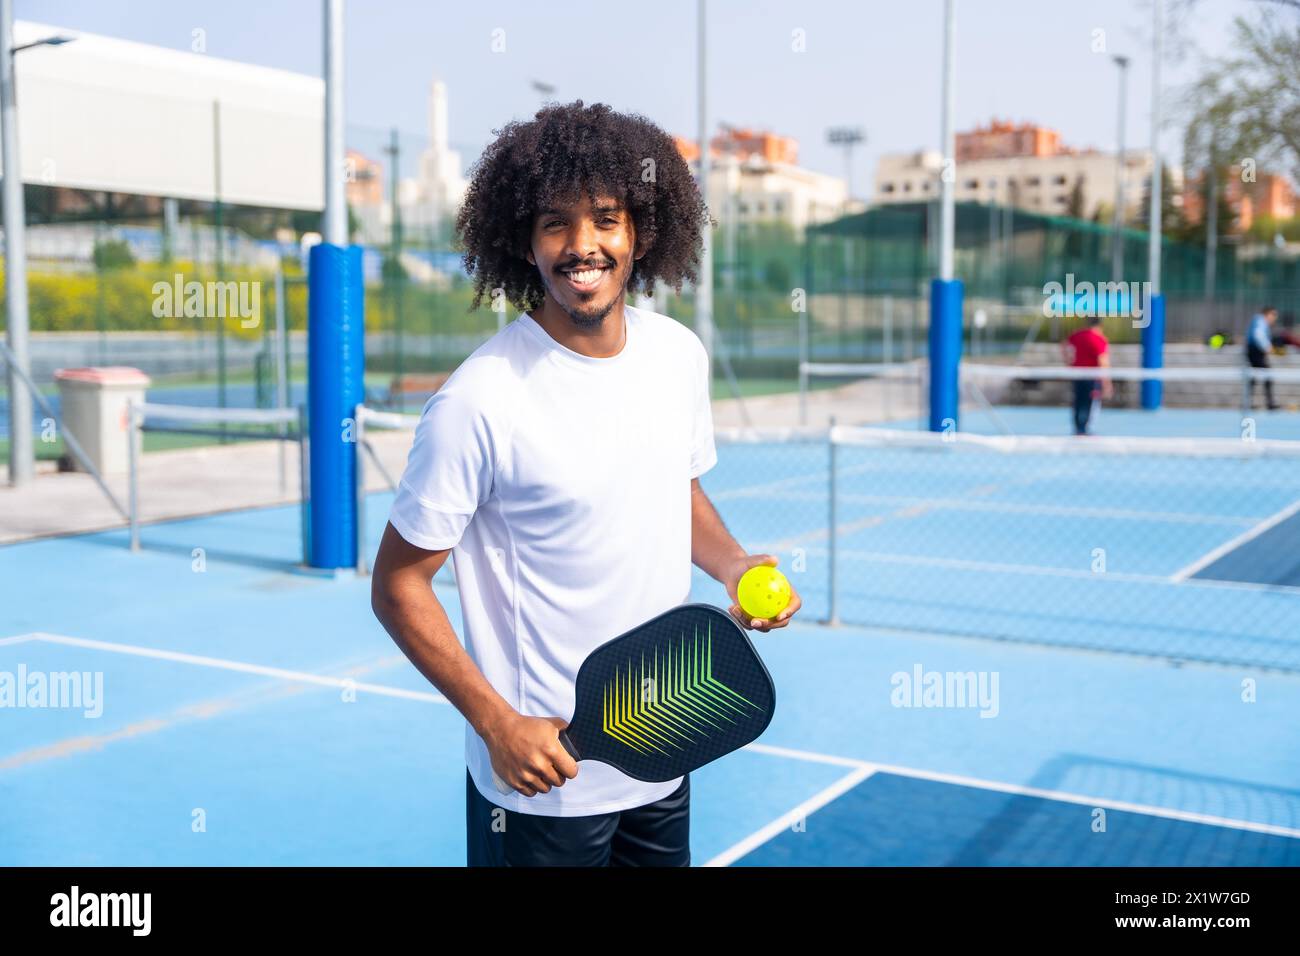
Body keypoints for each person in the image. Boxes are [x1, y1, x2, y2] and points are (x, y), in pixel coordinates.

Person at [369, 101, 802, 868]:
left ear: (641, 230)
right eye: (555, 224)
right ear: (524, 244)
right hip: (546, 783)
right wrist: (497, 723)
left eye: (606, 219)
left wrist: (735, 565)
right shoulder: (480, 401)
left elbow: (676, 486)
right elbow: (398, 585)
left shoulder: (676, 355)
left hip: (664, 745)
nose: (583, 246)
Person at [1060, 316, 1113, 435]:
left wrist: (1068, 361)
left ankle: (1078, 428)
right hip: (1091, 376)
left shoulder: (1077, 334)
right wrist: (1107, 383)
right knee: (1088, 402)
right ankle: (1083, 429)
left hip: (1077, 374)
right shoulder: (1099, 339)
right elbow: (1103, 362)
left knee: (1078, 400)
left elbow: (1063, 345)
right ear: (1100, 326)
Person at [1245, 305, 1281, 411]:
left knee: (1254, 377)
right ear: (1267, 314)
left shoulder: (1258, 321)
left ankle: (1249, 403)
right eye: (1273, 315)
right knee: (1266, 376)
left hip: (1254, 352)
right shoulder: (1260, 322)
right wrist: (1267, 347)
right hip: (1255, 352)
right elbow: (1258, 335)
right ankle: (1269, 403)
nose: (1274, 318)